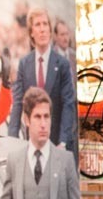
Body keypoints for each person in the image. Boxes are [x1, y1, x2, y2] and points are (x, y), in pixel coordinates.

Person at [10, 8, 77, 150]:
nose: (42, 29)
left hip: (57, 143)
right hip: (32, 144)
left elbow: (68, 103)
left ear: (50, 30)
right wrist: (12, 139)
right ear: (31, 32)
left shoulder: (63, 64)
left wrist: (63, 141)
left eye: (45, 24)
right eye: (38, 25)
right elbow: (17, 103)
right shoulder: (24, 64)